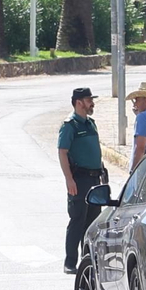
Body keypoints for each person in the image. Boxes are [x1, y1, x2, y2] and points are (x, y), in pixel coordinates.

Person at [59, 86, 106, 275]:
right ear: (79, 103)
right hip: (80, 179)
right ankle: (70, 262)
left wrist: (102, 170)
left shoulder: (90, 123)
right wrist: (69, 179)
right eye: (89, 100)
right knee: (77, 220)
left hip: (95, 179)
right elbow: (63, 152)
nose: (92, 103)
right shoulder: (70, 125)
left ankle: (89, 261)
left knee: (92, 222)